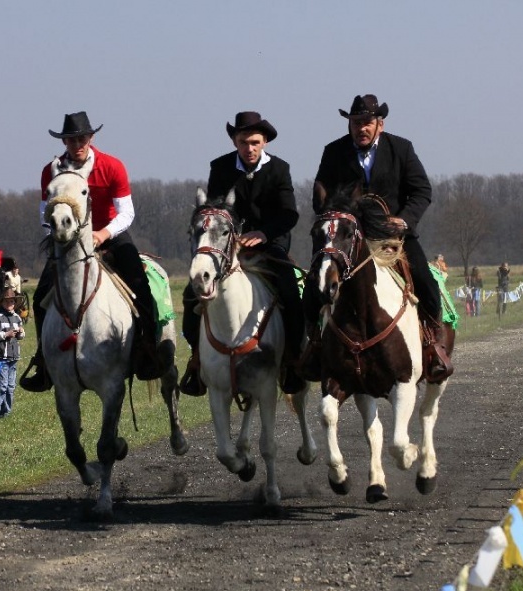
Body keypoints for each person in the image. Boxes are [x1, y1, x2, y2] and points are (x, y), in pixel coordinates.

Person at [306, 94, 453, 382]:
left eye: (367, 122)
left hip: (393, 236)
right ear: (349, 124)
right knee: (316, 284)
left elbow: (422, 190)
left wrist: (405, 220)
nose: (361, 128)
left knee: (424, 280)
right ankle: (314, 345)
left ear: (379, 124)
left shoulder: (401, 149)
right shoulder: (333, 152)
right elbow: (322, 195)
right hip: (349, 238)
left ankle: (433, 344)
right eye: (356, 122)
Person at [20, 111, 163, 392]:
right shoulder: (51, 171)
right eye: (71, 140)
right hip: (68, 240)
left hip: (110, 234)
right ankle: (44, 360)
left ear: (91, 137)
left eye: (82, 138)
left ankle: (148, 349)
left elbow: (127, 213)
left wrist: (102, 233)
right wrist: (62, 237)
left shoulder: (112, 166)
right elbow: (43, 214)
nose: (77, 144)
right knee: (40, 297)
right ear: (64, 141)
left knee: (139, 283)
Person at [179, 111, 305, 396]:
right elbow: (214, 210)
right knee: (191, 295)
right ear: (235, 142)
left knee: (290, 293)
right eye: (243, 142)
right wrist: (231, 238)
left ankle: (293, 361)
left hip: (269, 244)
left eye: (255, 142)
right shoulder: (220, 167)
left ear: (265, 143)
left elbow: (289, 214)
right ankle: (197, 362)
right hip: (227, 246)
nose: (249, 148)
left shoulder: (279, 169)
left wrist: (262, 234)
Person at [0, 288, 26, 418]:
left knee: (10, 388)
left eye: (12, 301)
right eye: (7, 301)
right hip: (0, 359)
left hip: (13, 358)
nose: (10, 304)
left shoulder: (16, 317)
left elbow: (21, 336)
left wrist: (20, 333)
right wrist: (5, 334)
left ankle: (6, 413)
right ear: (2, 302)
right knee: (1, 387)